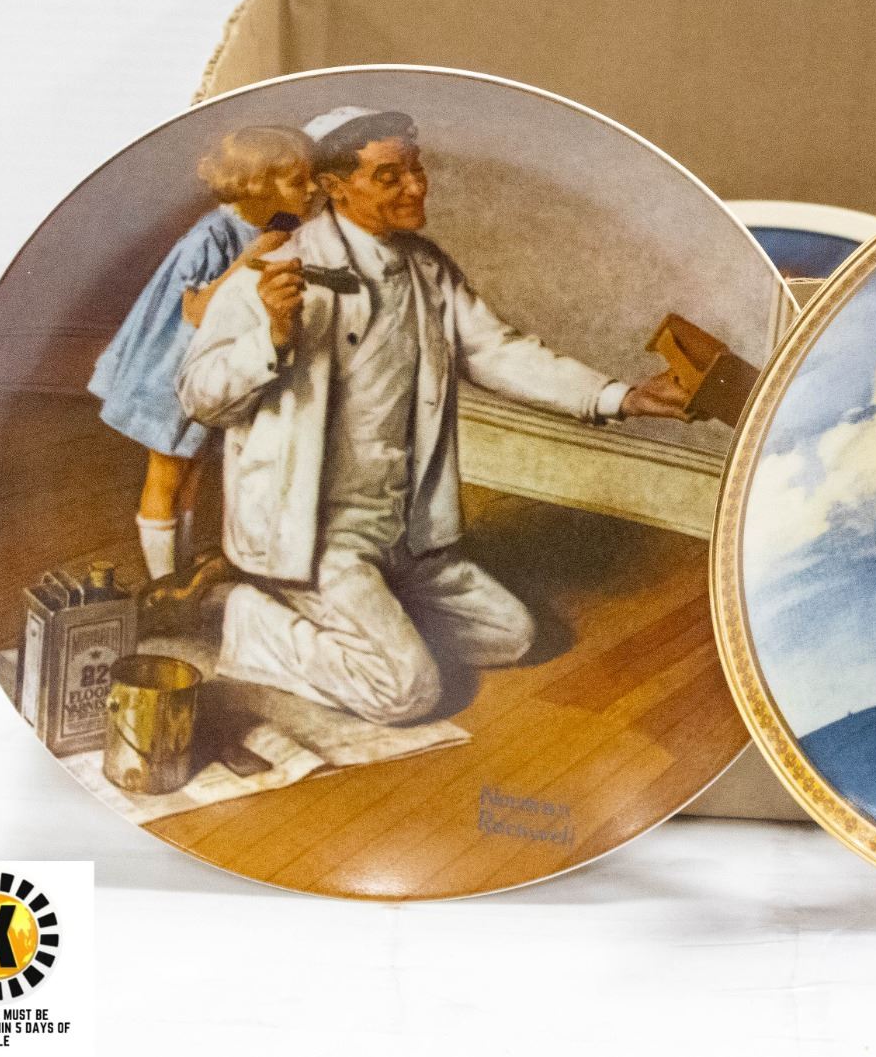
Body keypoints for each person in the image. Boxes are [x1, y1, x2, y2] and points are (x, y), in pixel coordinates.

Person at [176, 106, 689, 725]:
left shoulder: (425, 267)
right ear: (335, 186)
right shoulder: (271, 274)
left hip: (404, 531)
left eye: (416, 170)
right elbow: (198, 396)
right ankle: (245, 615)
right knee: (408, 693)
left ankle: (376, 619)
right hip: (317, 537)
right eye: (389, 176)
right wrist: (272, 337)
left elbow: (496, 350)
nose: (415, 187)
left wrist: (621, 397)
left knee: (514, 636)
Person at [89, 125, 316, 579]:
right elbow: (195, 311)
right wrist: (253, 256)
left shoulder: (265, 228)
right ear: (257, 185)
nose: (311, 189)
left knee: (191, 475)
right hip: (171, 372)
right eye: (298, 181)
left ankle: (182, 571)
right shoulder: (212, 235)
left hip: (210, 370)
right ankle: (163, 582)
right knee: (167, 476)